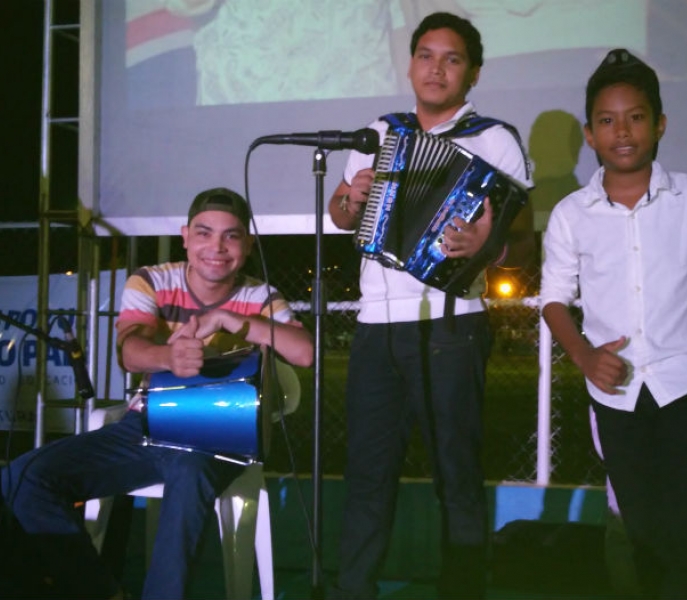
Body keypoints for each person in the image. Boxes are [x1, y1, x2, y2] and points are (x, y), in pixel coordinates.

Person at [0, 187, 313, 600]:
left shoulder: (260, 296)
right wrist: (169, 356)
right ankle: (102, 592)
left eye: (231, 236)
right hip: (144, 424)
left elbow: (304, 353)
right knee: (24, 476)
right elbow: (130, 351)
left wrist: (229, 320)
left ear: (248, 244)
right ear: (185, 237)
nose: (216, 247)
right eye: (204, 233)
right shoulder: (151, 279)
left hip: (219, 438)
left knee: (188, 472)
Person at [327, 11, 533, 600]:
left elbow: (520, 236)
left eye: (452, 58)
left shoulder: (493, 139)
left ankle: (462, 590)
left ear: (472, 73)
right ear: (410, 62)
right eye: (425, 55)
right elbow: (344, 218)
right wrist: (351, 195)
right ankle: (353, 590)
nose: (436, 68)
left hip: (451, 326)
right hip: (376, 329)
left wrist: (483, 246)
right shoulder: (379, 131)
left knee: (456, 476)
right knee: (367, 476)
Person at [540, 49, 687, 599]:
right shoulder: (571, 214)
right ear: (590, 134)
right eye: (607, 121)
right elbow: (554, 300)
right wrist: (585, 356)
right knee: (644, 538)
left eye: (635, 117)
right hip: (616, 397)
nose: (623, 132)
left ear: (660, 124)